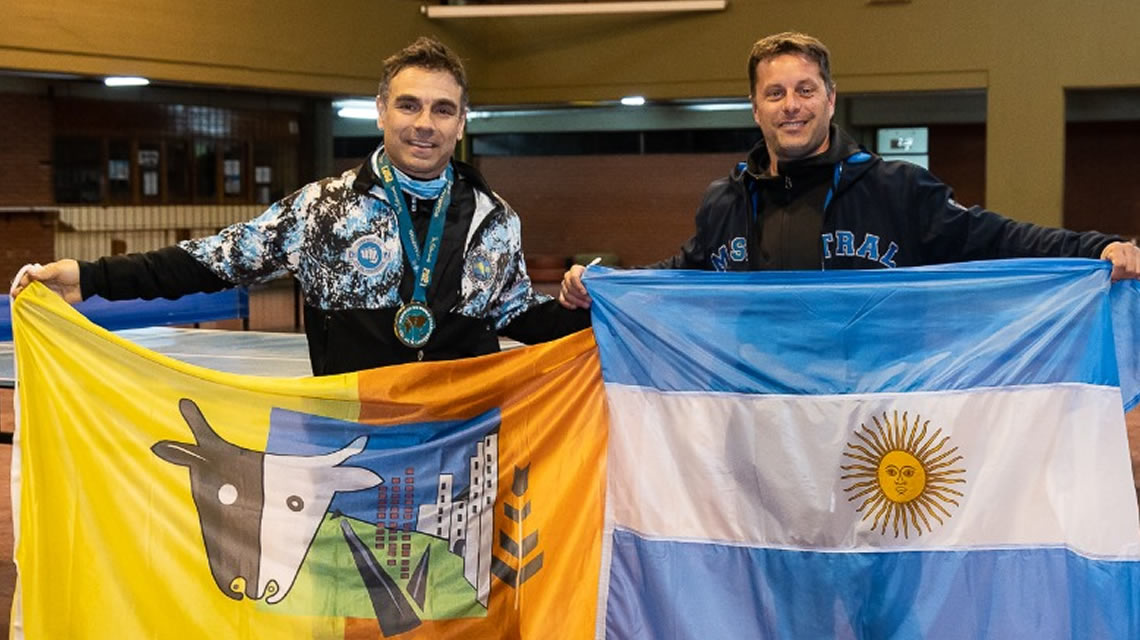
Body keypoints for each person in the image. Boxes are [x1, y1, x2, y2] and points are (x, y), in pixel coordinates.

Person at [10, 37, 588, 375]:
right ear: (381, 110)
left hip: (461, 443)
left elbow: (524, 319)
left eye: (442, 110)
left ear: (462, 123)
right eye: (409, 105)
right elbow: (211, 260)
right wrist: (91, 277)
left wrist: (585, 305)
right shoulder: (323, 210)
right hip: (346, 441)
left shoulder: (495, 219)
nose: (423, 124)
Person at [559, 31, 1140, 309]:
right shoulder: (725, 202)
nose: (792, 105)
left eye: (806, 90)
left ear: (831, 99)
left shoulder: (896, 189)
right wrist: (600, 286)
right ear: (756, 108)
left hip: (872, 424)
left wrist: (1097, 246)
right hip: (757, 416)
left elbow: (997, 237)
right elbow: (681, 276)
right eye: (776, 93)